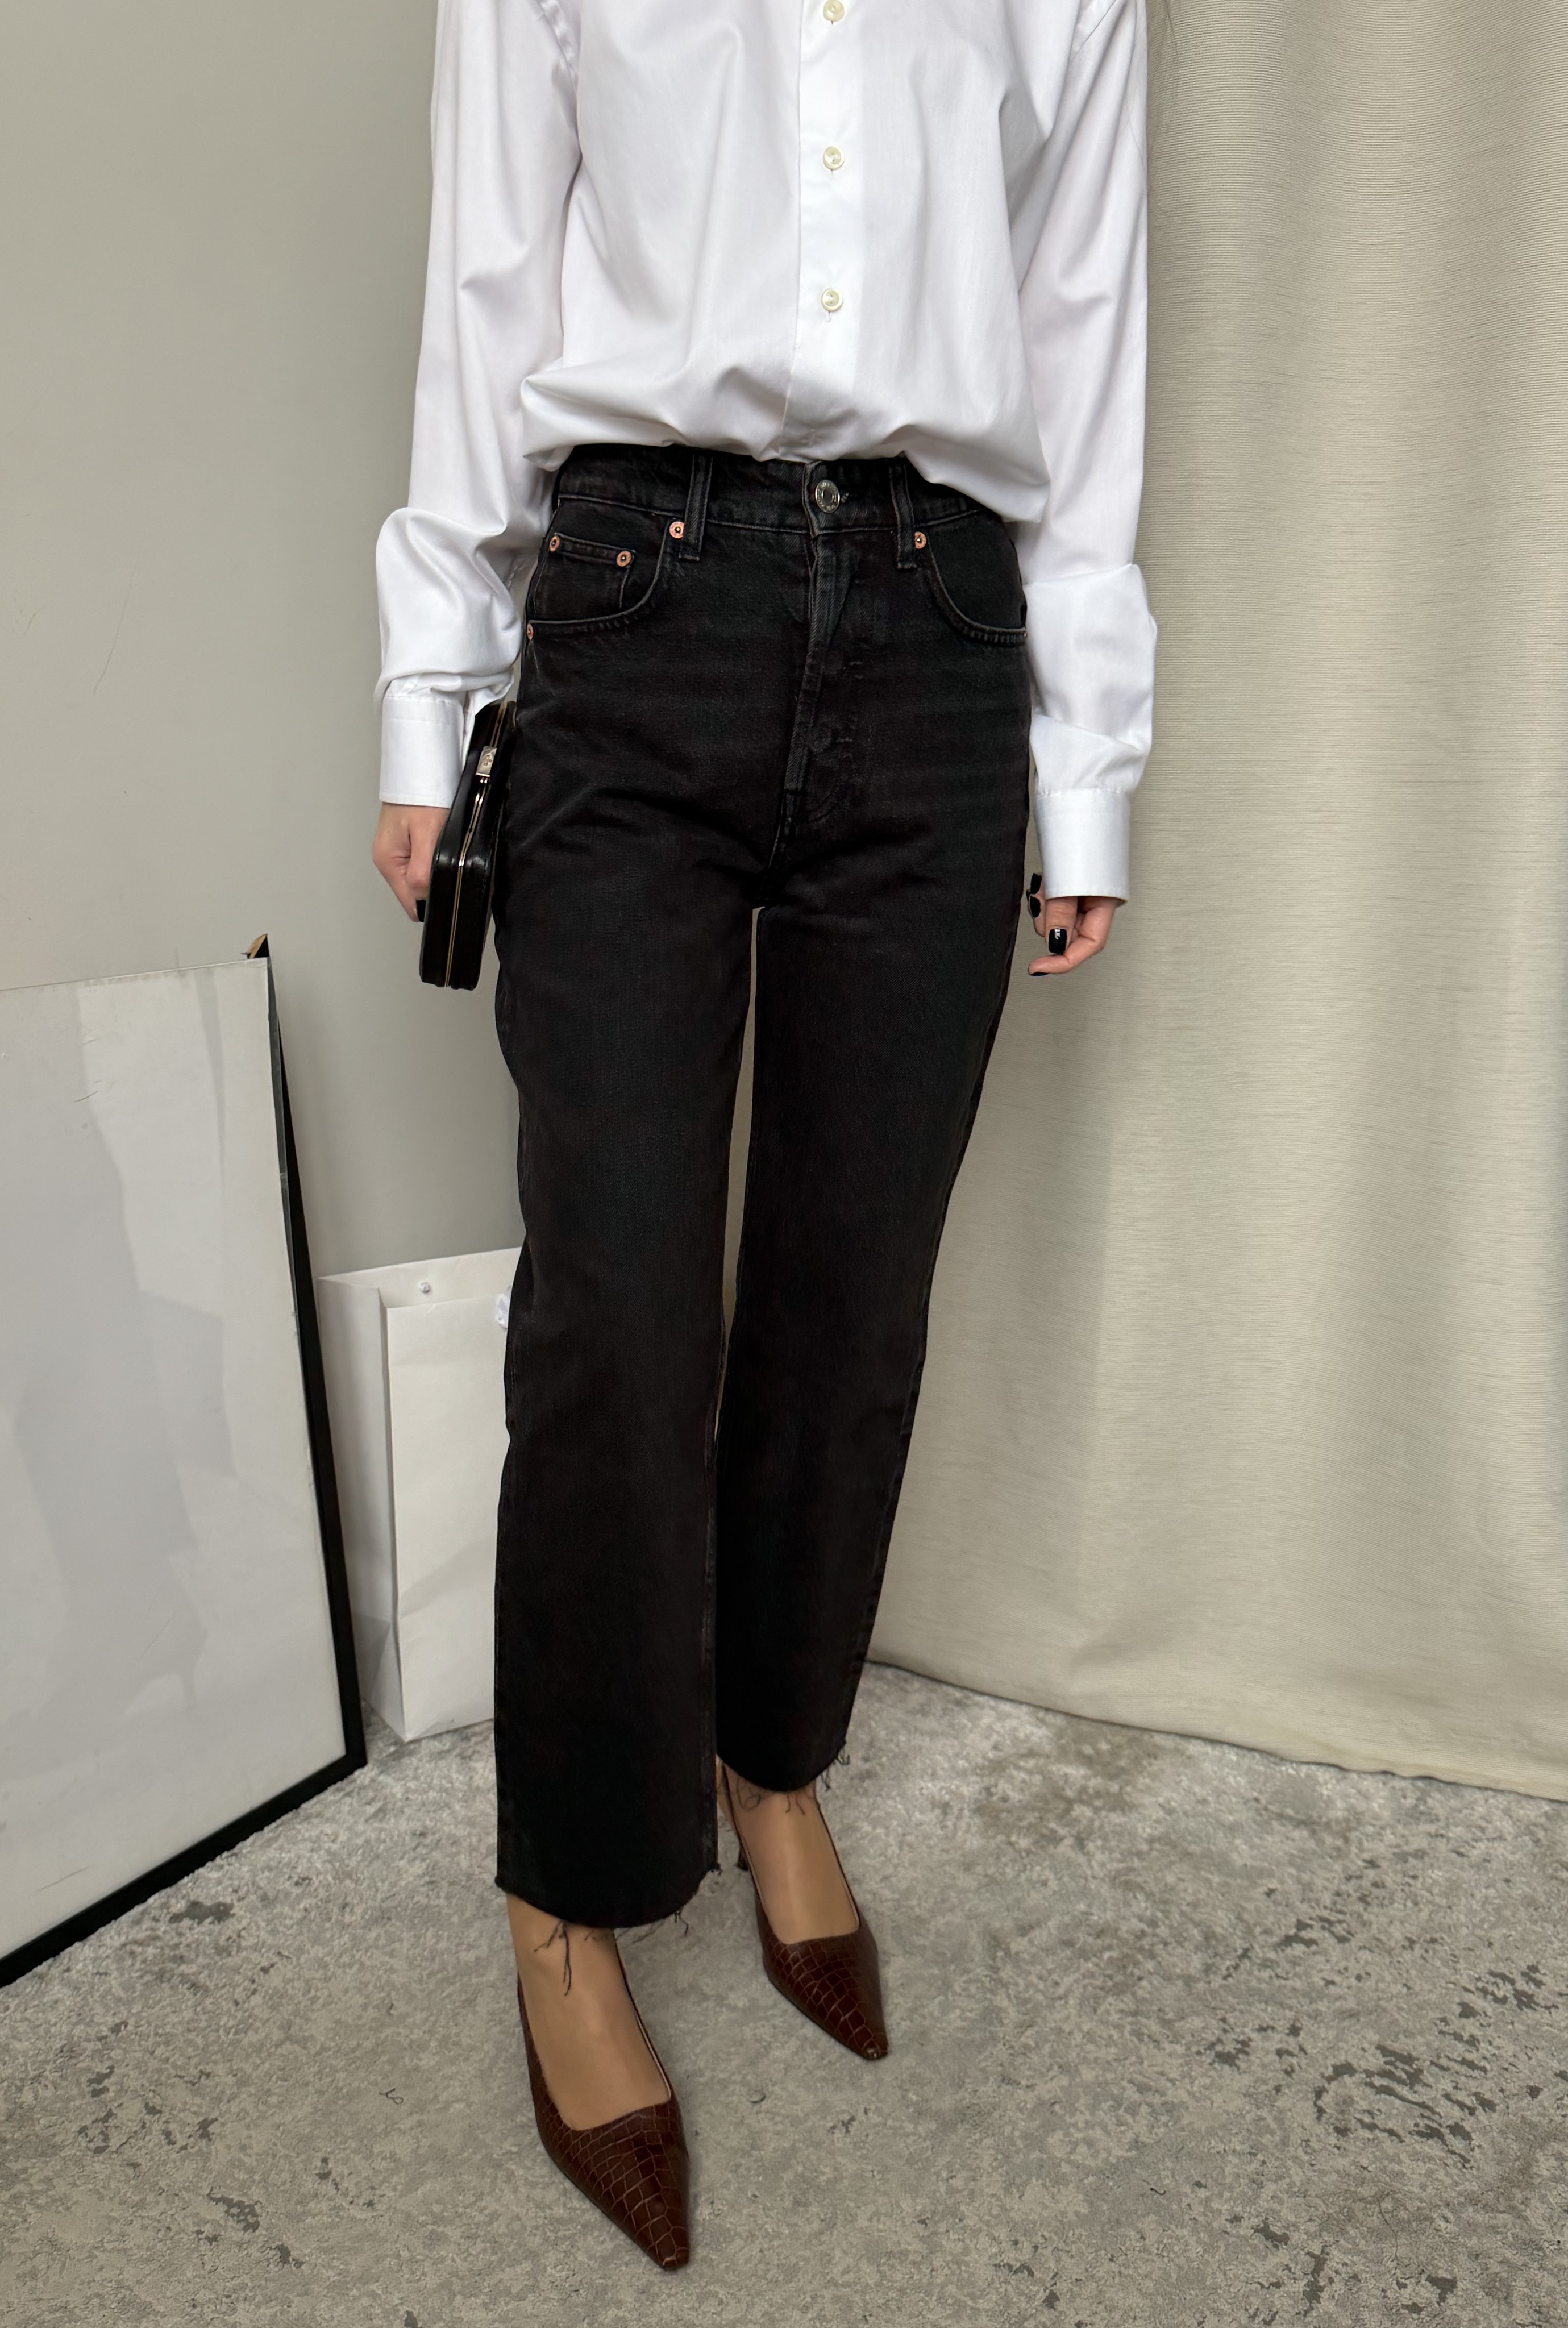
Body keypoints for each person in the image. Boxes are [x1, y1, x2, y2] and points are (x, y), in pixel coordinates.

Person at [372, 0, 1155, 2270]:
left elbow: (1083, 325)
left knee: (850, 1285)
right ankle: (568, 1892)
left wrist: (1086, 756)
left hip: (941, 628)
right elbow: (485, 284)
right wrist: (429, 690)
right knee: (615, 1309)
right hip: (639, 607)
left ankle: (772, 1757)